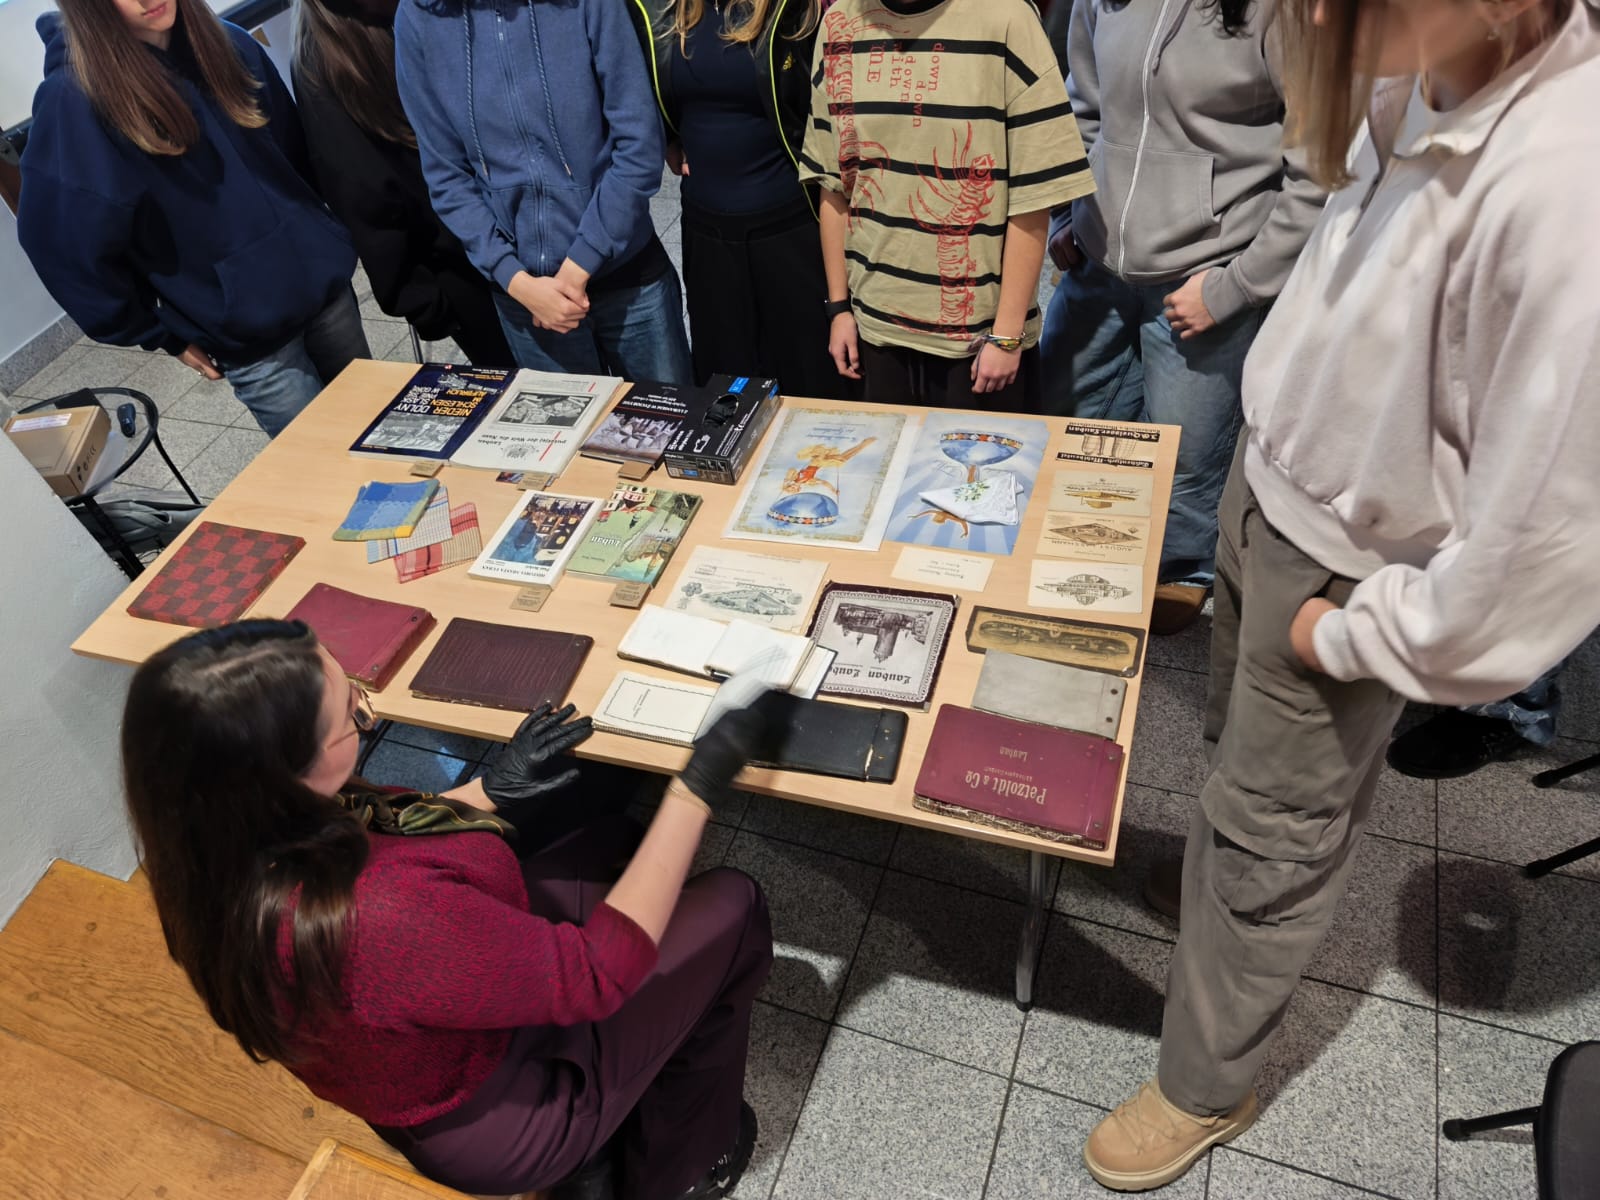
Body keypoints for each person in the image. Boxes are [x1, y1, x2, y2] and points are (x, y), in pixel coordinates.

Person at [1084, 0, 1600, 1190]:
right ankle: (1214, 897)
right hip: (1272, 491)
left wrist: (1368, 639)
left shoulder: (1564, 184)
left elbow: (1546, 553)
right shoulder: (1427, 68)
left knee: (1278, 834)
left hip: (1348, 571)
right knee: (1235, 766)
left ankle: (1203, 1083)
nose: (1309, 9)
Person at [121, 619, 773, 1200]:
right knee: (734, 907)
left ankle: (623, 1116)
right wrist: (696, 786)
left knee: (610, 842)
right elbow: (596, 974)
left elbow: (381, 835)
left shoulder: (208, 848)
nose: (363, 710)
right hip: (502, 1113)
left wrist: (487, 789)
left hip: (428, 1039)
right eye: (351, 714)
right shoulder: (381, 916)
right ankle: (682, 1169)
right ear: (289, 772)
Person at [1041, 0, 1327, 636]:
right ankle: (1084, 555)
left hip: (1207, 275)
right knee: (1070, 420)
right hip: (1096, 265)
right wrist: (1066, 214)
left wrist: (1235, 287)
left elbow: (1315, 175)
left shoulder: (1274, 12)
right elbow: (1080, 111)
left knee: (1188, 454)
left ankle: (1179, 571)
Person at [17, 0, 369, 437]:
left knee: (377, 427)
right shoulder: (75, 101)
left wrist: (324, 235)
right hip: (248, 336)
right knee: (320, 459)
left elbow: (295, 156)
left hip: (325, 291)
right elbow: (62, 245)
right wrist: (158, 333)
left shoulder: (228, 43)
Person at [797, 0, 1096, 411]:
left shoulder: (1008, 19)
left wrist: (1007, 336)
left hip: (979, 343)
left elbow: (1033, 196)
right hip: (874, 329)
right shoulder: (838, 24)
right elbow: (833, 183)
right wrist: (838, 309)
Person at [394, 0, 693, 384]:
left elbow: (639, 144)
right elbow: (446, 176)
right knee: (563, 422)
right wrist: (514, 278)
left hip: (627, 275)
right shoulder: (420, 17)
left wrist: (580, 264)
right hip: (527, 297)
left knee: (666, 416)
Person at [629, 0, 843, 397]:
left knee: (810, 384)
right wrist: (669, 138)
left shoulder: (797, 10)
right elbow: (656, 91)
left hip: (790, 230)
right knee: (725, 392)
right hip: (707, 235)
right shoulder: (666, 12)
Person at [291, 0, 513, 367]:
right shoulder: (326, 60)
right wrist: (420, 299)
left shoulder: (418, 14)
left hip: (517, 226)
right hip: (458, 265)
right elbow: (363, 196)